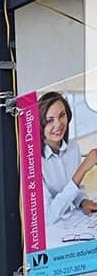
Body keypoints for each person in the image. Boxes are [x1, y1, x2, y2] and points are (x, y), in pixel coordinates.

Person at [39, 91, 97, 227]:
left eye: (62, 115)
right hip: (51, 233)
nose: (58, 124)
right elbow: (48, 215)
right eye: (50, 120)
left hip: (73, 224)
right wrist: (83, 169)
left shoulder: (72, 147)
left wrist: (83, 201)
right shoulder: (34, 162)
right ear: (40, 123)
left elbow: (77, 188)